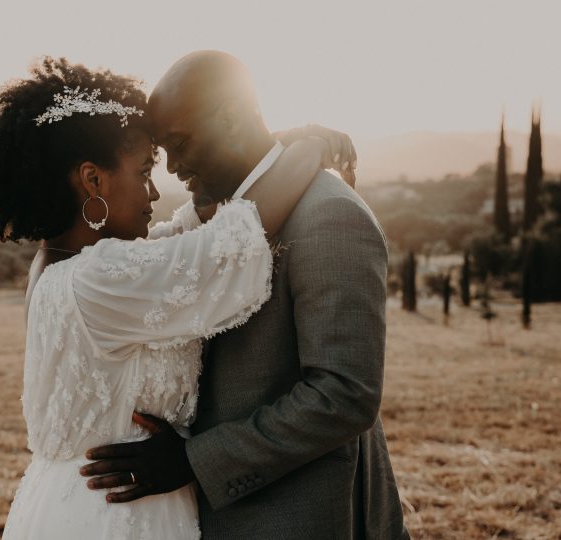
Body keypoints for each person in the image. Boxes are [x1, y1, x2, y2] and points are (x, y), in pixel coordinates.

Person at [0, 56, 354, 539]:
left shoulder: (61, 265)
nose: (155, 191)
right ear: (93, 180)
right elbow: (232, 243)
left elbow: (184, 239)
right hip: (117, 513)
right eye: (144, 170)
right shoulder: (98, 280)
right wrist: (307, 149)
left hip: (78, 503)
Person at [81, 51, 410, 539]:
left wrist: (196, 460)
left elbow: (344, 395)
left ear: (230, 116)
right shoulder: (208, 214)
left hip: (299, 516)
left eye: (178, 143)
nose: (171, 166)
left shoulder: (329, 215)